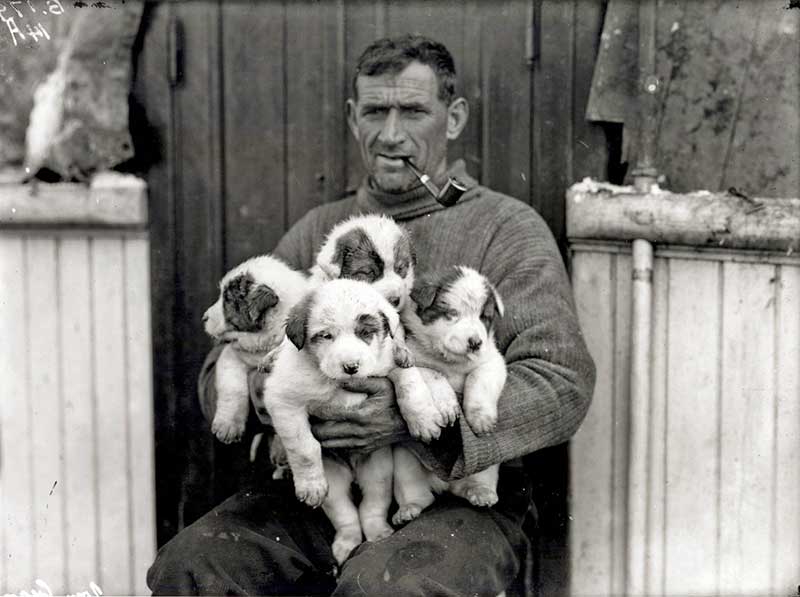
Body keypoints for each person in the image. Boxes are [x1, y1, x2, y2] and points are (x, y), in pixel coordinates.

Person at [147, 34, 595, 597]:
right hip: (322, 482)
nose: (390, 133)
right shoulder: (321, 230)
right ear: (353, 117)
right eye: (376, 111)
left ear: (453, 118)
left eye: (413, 111)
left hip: (453, 490)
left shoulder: (506, 229)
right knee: (193, 566)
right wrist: (269, 394)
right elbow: (224, 360)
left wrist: (418, 422)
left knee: (388, 589)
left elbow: (562, 382)